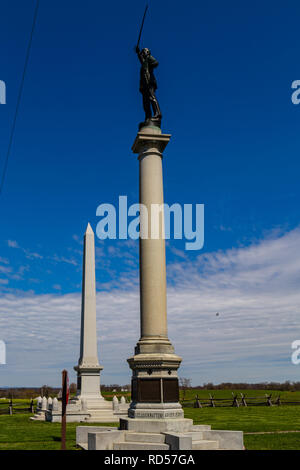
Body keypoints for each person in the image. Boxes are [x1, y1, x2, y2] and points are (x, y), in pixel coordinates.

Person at [136, 46, 162, 124]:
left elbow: (156, 63)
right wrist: (138, 52)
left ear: (147, 53)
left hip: (149, 81)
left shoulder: (149, 59)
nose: (143, 53)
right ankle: (148, 117)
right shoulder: (145, 62)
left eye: (144, 51)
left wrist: (148, 56)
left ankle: (158, 114)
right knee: (145, 102)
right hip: (144, 84)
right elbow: (142, 60)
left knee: (152, 97)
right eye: (142, 51)